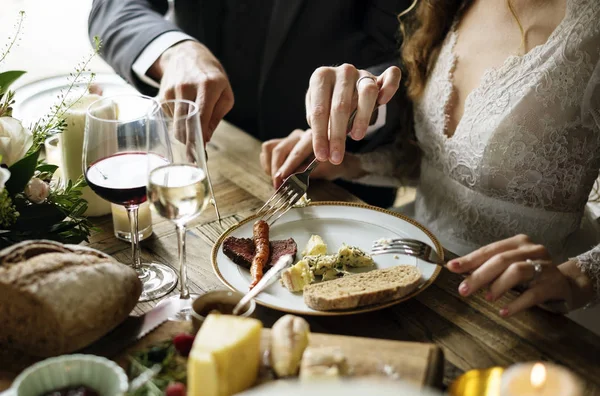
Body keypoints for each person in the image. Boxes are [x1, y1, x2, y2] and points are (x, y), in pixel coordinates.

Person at [263, 0, 600, 331]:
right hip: (410, 272)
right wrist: (348, 165)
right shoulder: (448, 5)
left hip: (527, 312)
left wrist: (578, 280)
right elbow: (443, 164)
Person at [88, 0, 409, 208]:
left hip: (333, 187)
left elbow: (415, 57)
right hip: (206, 161)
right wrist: (174, 51)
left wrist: (363, 101)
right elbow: (114, 7)